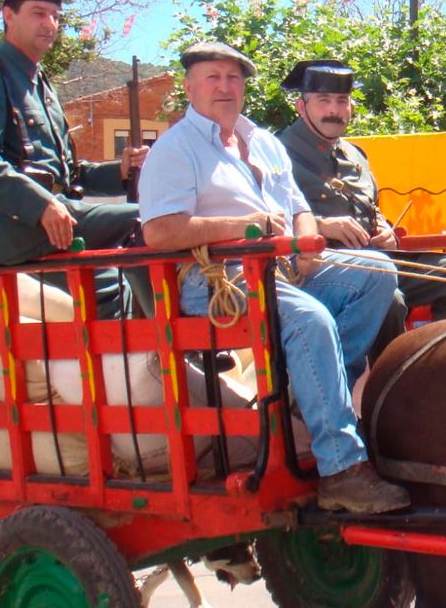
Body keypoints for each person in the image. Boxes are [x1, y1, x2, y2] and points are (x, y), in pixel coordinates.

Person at [139, 42, 408, 514]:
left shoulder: (262, 141)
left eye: (233, 78)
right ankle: (341, 469)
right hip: (215, 279)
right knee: (310, 319)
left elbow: (300, 207)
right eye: (213, 77)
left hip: (279, 267)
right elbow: (159, 230)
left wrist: (306, 243)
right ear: (189, 86)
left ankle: (306, 398)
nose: (225, 87)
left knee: (376, 273)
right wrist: (243, 227)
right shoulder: (175, 148)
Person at [0, 0, 152, 317]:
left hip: (59, 218)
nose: (50, 23)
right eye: (38, 13)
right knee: (149, 222)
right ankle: (176, 345)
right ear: (8, 15)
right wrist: (41, 205)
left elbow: (68, 173)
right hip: (18, 225)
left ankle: (144, 354)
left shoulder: (41, 83)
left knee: (115, 284)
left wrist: (119, 170)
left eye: (56, 16)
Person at [274, 59, 446, 357]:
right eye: (323, 101)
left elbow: (370, 208)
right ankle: (390, 391)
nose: (334, 111)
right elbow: (268, 222)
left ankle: (445, 369)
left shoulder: (356, 155)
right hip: (320, 271)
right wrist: (321, 226)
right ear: (301, 106)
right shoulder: (277, 152)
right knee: (391, 301)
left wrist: (385, 229)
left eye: (342, 101)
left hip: (377, 259)